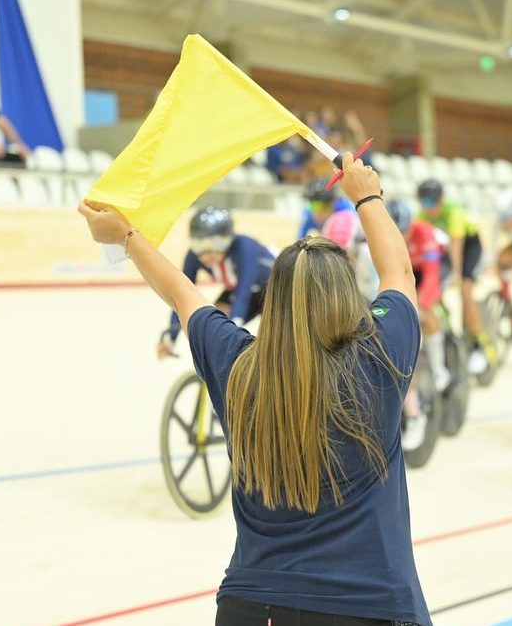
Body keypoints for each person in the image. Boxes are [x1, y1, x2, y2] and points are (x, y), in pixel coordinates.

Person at [79, 154, 430, 625]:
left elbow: (184, 294)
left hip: (251, 606)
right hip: (366, 605)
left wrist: (125, 236)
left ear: (275, 303)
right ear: (348, 298)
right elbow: (400, 277)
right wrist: (367, 195)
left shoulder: (239, 366)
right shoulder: (378, 358)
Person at [157, 206, 274, 358]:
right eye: (200, 245)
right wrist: (171, 336)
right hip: (243, 291)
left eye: (216, 244)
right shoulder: (194, 255)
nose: (207, 254)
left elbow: (243, 293)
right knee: (215, 327)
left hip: (273, 291)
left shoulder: (245, 247)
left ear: (229, 239)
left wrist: (232, 334)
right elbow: (180, 295)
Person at [387, 199, 449, 450]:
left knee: (425, 314)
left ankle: (438, 366)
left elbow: (432, 276)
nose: (401, 237)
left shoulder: (424, 233)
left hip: (434, 268)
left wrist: (421, 305)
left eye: (404, 233)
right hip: (408, 269)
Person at [417, 178, 493, 375]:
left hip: (468, 248)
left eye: (432, 202)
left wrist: (458, 277)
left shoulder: (454, 212)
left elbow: (457, 248)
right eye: (424, 203)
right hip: (444, 251)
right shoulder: (421, 216)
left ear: (441, 200)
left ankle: (479, 345)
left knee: (465, 293)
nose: (429, 208)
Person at [322, 209, 378, 302]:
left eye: (344, 254)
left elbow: (373, 296)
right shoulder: (325, 261)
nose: (341, 261)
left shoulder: (366, 256)